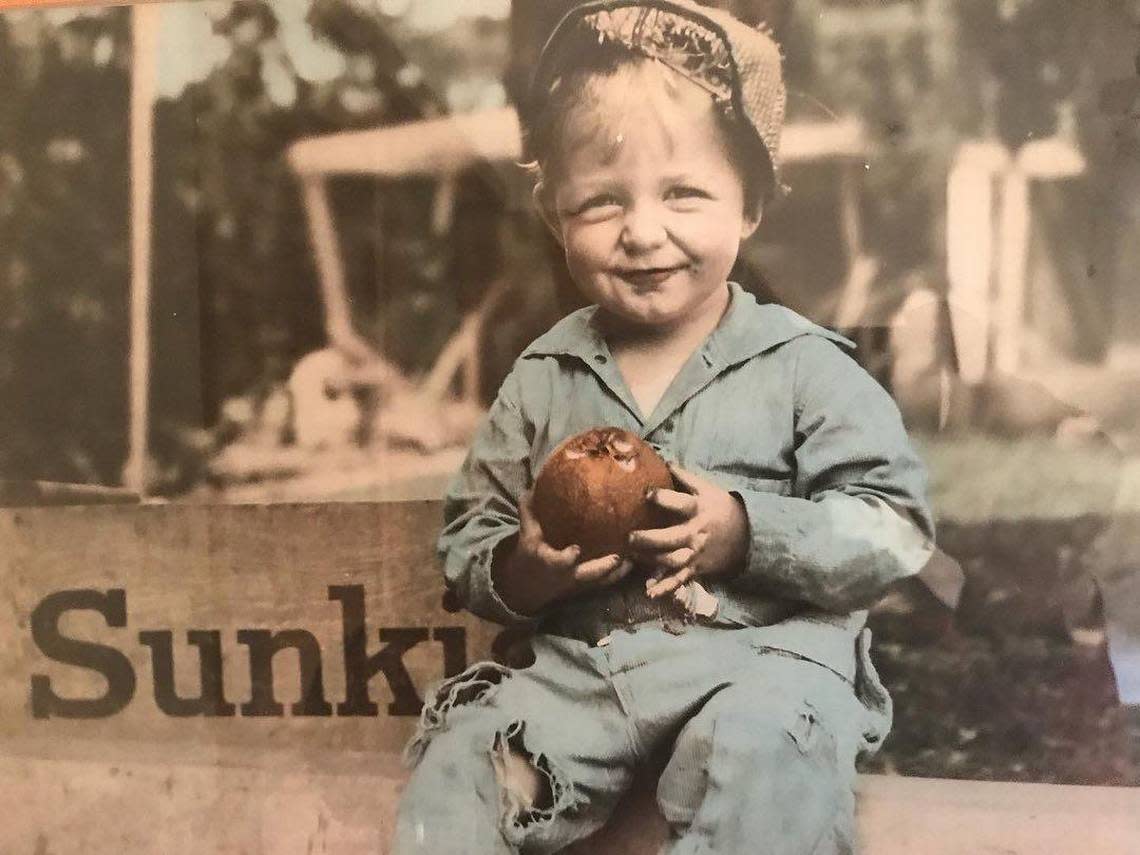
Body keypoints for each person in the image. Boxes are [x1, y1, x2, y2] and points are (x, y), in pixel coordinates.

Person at [392, 2, 935, 852]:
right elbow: (470, 538)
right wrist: (526, 568)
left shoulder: (803, 365)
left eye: (684, 193)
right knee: (464, 758)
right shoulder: (544, 378)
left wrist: (747, 531)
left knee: (769, 752)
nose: (644, 232)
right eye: (602, 202)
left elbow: (895, 529)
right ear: (552, 213)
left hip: (762, 662)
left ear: (750, 204)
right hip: (587, 676)